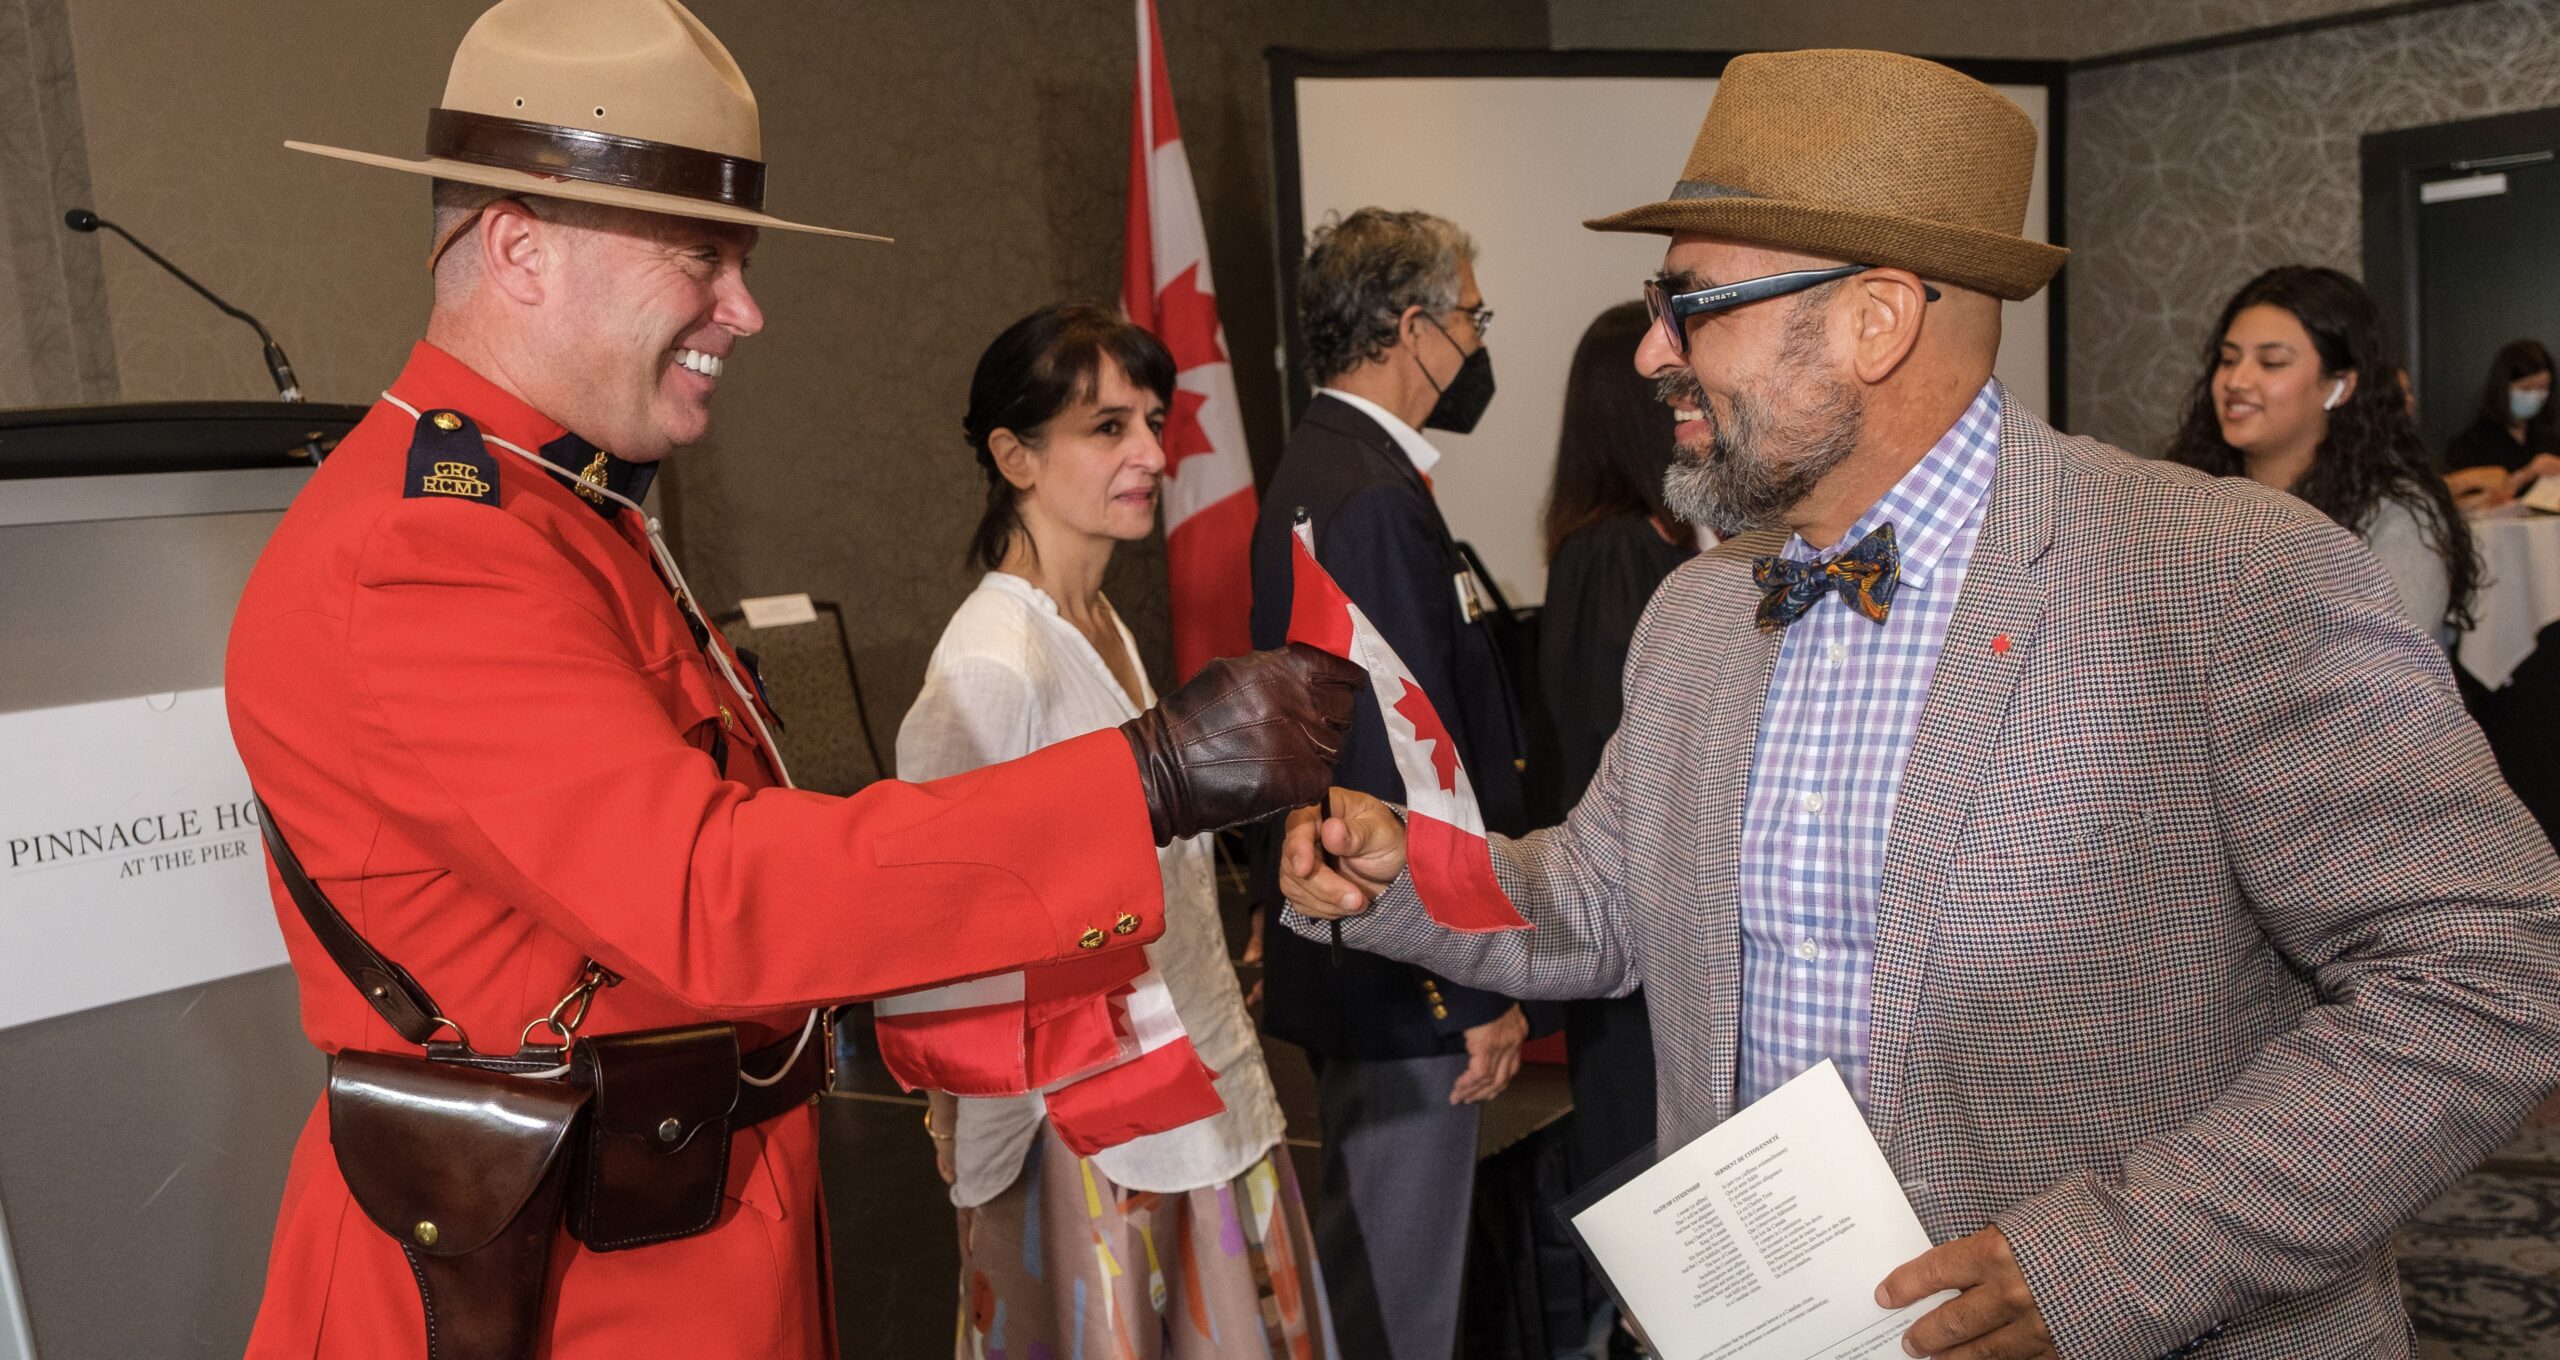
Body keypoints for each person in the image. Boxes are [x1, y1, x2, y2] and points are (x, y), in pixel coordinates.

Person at [1279, 48, 2560, 1360]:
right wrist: (1408, 874)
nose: (1655, 351)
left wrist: (2118, 1257)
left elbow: (2487, 975)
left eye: (1691, 301)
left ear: (1876, 319)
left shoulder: (2224, 574)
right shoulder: (1699, 614)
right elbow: (1595, 904)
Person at [225, 4, 1360, 1357]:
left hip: (661, 1226)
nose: (745, 311)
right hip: (562, 1292)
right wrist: (1151, 776)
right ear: (521, 249)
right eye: (701, 258)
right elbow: (715, 894)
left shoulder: (552, 506)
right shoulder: (427, 549)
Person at [899, 304, 1336, 1358]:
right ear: (1015, 455)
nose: (1150, 452)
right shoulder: (992, 661)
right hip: (1093, 1122)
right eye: (1106, 429)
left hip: (1191, 1071)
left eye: (1152, 419)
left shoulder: (1096, 619)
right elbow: (938, 929)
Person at [1246, 206, 1539, 1360]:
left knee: (1377, 1281)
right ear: (1410, 326)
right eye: (1470, 316)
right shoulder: (1366, 493)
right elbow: (1405, 762)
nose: (1476, 344)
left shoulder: (1338, 467)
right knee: (1396, 1306)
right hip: (1404, 972)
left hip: (1367, 956)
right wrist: (1474, 985)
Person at [2163, 265, 2478, 645]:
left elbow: (2379, 677)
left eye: (2271, 362)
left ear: (2340, 386)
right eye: (2228, 360)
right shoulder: (2187, 496)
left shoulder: (2396, 519)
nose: (2236, 381)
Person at [2442, 339, 2560, 506]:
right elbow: (2462, 504)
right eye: (2526, 388)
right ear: (2503, 387)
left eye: (2543, 389)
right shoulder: (2471, 443)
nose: (2536, 396)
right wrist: (2528, 473)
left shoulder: (2550, 440)